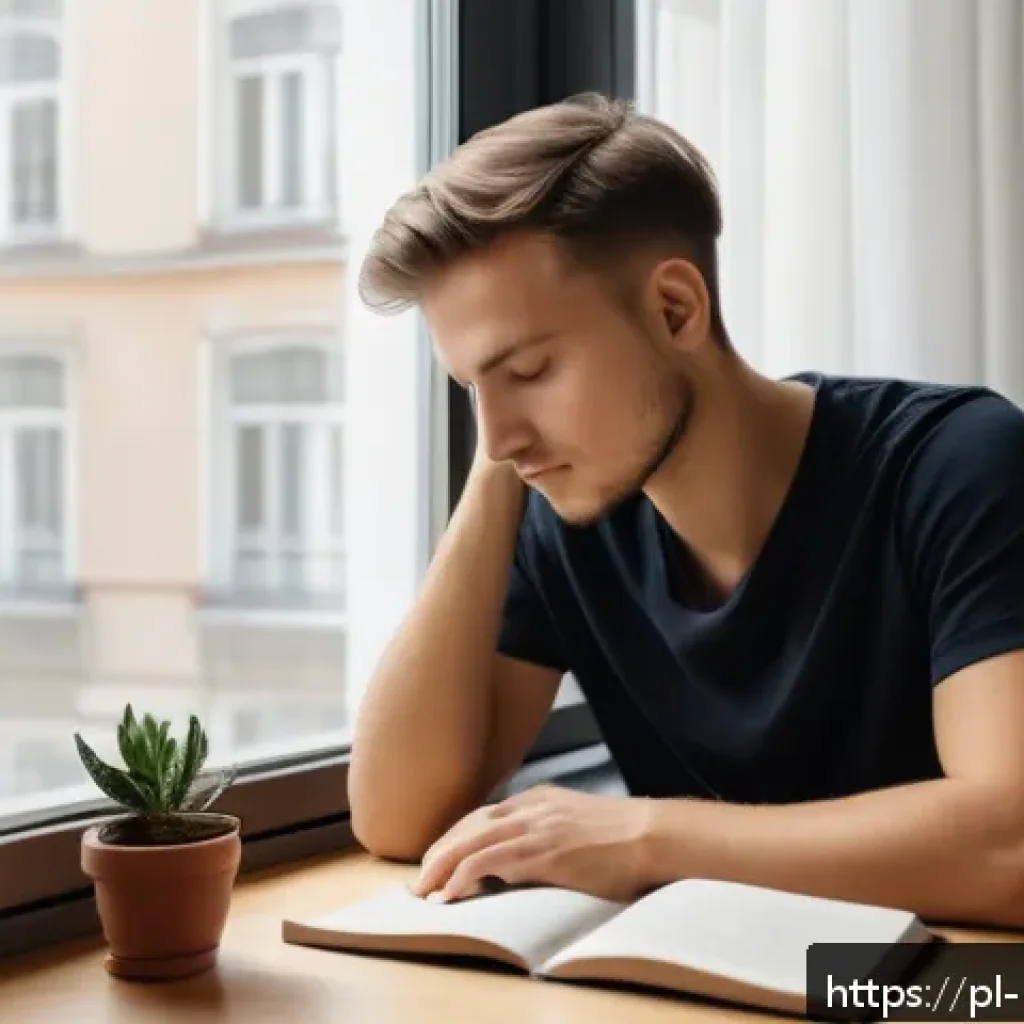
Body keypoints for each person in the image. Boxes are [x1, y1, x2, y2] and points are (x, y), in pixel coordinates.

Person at [346, 93, 1024, 927]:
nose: (499, 435)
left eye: (526, 370)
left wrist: (646, 839)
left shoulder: (958, 464)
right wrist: (500, 465)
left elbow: (1011, 845)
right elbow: (394, 816)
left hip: (956, 995)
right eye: (471, 388)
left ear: (677, 309)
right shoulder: (563, 511)